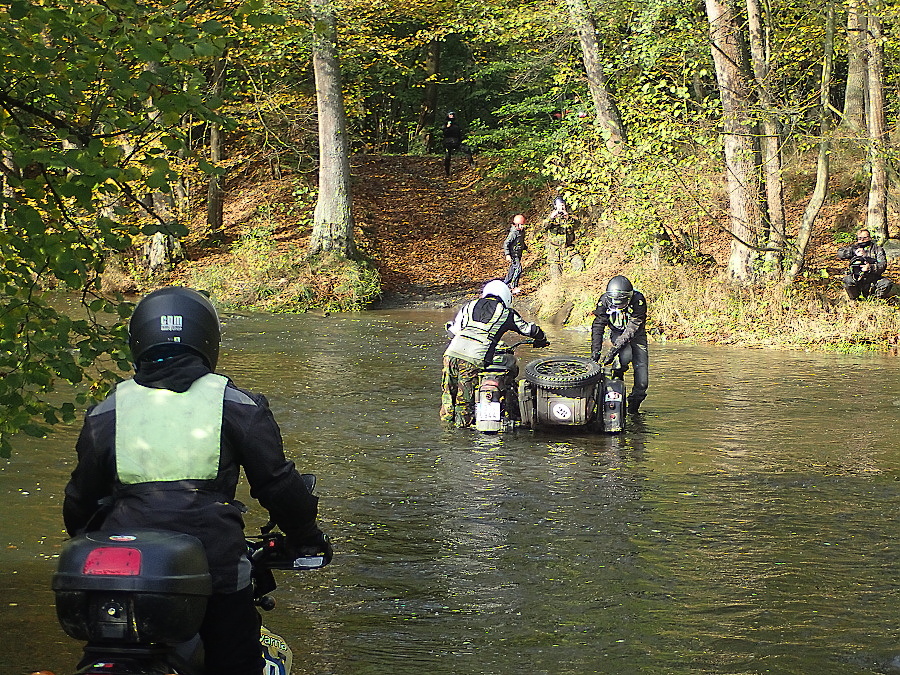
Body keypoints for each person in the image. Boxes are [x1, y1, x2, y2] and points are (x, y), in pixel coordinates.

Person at [62, 287, 332, 675]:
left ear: (138, 340)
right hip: (213, 564)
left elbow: (79, 501)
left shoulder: (107, 411)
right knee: (236, 661)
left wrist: (89, 542)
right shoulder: (235, 404)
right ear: (207, 339)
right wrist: (306, 535)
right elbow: (277, 484)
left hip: (121, 577)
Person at [440, 279, 548, 428]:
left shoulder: (469, 305)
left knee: (448, 395)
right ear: (506, 297)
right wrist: (541, 338)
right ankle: (462, 436)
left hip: (451, 354)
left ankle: (446, 430)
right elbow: (529, 330)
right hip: (474, 358)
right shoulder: (506, 313)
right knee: (464, 401)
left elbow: (453, 330)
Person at [590, 275, 648, 414]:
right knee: (624, 358)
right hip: (616, 332)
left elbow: (632, 328)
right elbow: (598, 325)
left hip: (637, 336)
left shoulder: (638, 300)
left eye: (621, 303)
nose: (618, 306)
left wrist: (614, 350)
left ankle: (633, 411)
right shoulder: (603, 301)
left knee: (642, 382)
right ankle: (616, 384)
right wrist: (596, 352)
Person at [837, 228, 894, 300]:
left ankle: (875, 300)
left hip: (873, 278)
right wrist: (854, 252)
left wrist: (870, 267)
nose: (862, 240)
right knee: (847, 280)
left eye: (865, 238)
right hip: (856, 278)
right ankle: (855, 300)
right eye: (860, 238)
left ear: (870, 238)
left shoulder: (877, 249)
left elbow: (882, 264)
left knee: (886, 283)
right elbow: (840, 253)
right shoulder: (853, 248)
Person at [542, 197, 578, 278]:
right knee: (556, 274)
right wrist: (551, 217)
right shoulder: (551, 218)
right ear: (555, 206)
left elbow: (577, 225)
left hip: (568, 248)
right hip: (555, 250)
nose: (561, 208)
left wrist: (568, 218)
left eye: (562, 205)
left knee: (578, 264)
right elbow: (544, 227)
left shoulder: (569, 217)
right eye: (559, 206)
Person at [442, 111, 474, 176]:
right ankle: (447, 172)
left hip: (457, 142)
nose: (452, 116)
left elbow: (460, 133)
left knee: (467, 149)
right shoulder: (445, 124)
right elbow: (444, 133)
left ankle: (472, 163)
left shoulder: (456, 124)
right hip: (448, 142)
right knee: (447, 157)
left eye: (452, 115)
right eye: (450, 115)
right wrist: (447, 127)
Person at [502, 214, 527, 293]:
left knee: (512, 269)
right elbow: (506, 243)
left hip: (519, 253)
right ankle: (513, 286)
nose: (523, 226)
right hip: (513, 254)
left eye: (523, 225)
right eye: (521, 225)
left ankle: (505, 283)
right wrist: (507, 254)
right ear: (516, 225)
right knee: (518, 269)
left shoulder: (522, 232)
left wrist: (525, 247)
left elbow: (521, 241)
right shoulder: (514, 232)